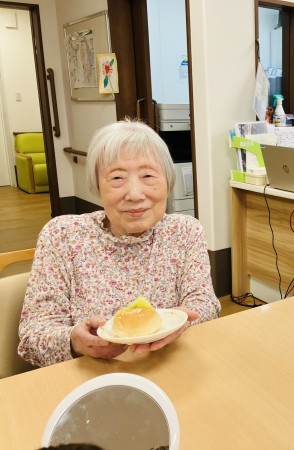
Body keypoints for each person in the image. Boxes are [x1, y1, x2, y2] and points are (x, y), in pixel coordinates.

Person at [19, 119, 221, 367]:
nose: (135, 194)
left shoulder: (185, 231)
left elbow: (205, 305)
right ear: (97, 186)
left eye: (148, 175)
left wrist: (184, 321)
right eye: (117, 178)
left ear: (168, 182)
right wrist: (74, 341)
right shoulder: (62, 236)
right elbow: (34, 334)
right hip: (91, 376)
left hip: (169, 367)